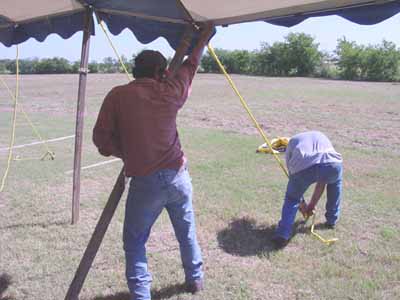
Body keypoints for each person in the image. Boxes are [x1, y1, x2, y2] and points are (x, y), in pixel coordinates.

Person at [93, 24, 215, 300]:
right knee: (186, 232)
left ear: (135, 71)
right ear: (161, 73)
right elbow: (190, 65)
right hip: (178, 176)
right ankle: (195, 280)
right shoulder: (170, 91)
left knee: (135, 242)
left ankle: (141, 296)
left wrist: (125, 152)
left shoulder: (117, 95)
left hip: (145, 182)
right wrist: (201, 39)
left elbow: (101, 140)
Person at [272, 131, 343, 248]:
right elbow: (322, 180)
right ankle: (331, 220)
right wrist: (308, 205)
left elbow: (293, 178)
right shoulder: (321, 135)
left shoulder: (292, 142)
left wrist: (304, 204)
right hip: (333, 164)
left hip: (304, 166)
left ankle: (282, 235)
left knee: (291, 198)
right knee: (335, 183)